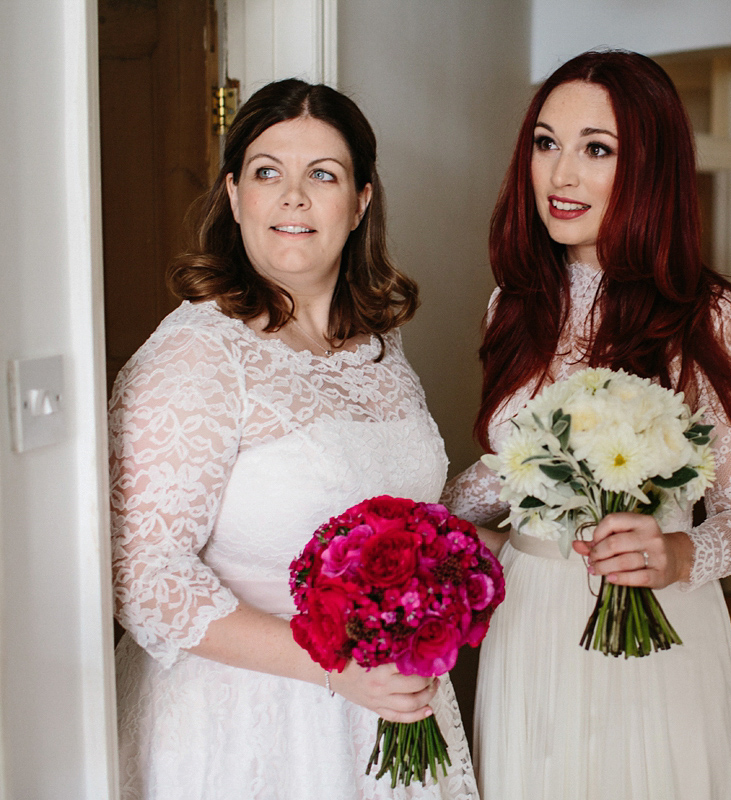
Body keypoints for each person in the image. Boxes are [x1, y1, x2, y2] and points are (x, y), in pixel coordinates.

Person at [110, 79, 478, 800]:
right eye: (267, 172)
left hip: (389, 708)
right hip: (244, 721)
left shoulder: (376, 344)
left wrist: (531, 487)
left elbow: (400, 511)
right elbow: (145, 578)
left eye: (323, 175)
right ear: (235, 195)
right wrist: (335, 670)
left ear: (361, 202)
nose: (294, 198)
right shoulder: (196, 354)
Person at [442, 50, 731, 800]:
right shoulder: (513, 304)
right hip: (528, 623)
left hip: (654, 629)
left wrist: (679, 555)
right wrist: (433, 514)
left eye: (597, 148)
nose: (561, 175)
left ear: (651, 167)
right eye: (546, 141)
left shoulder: (711, 318)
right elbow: (509, 467)